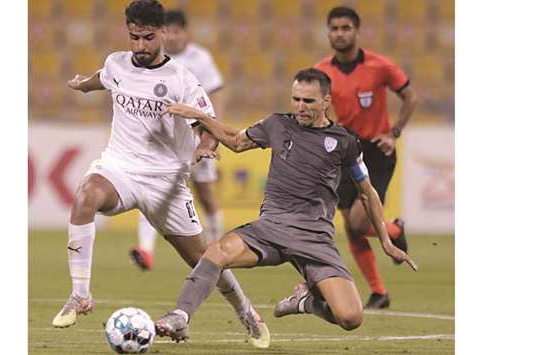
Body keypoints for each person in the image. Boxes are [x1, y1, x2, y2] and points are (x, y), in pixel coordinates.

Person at [51, 0, 270, 348]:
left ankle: (246, 311)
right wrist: (83, 85)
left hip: (166, 181)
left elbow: (206, 123)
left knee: (204, 260)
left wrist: (202, 146)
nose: (139, 46)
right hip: (120, 168)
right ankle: (80, 295)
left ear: (163, 33)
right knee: (85, 195)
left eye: (147, 38)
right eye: (134, 37)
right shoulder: (116, 62)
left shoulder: (181, 79)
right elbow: (104, 78)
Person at [153, 68, 417, 342]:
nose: (300, 107)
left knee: (351, 318)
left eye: (309, 101)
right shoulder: (277, 125)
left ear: (326, 102)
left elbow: (367, 193)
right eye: (296, 99)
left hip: (314, 239)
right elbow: (235, 142)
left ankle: (306, 302)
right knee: (216, 252)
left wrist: (386, 241)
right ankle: (180, 316)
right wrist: (200, 117)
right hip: (270, 229)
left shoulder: (344, 142)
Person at [314, 6, 418, 309]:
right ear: (329, 32)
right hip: (343, 149)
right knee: (351, 226)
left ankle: (395, 230)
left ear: (357, 31)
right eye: (334, 28)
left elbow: (410, 96)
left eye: (345, 28)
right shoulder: (322, 70)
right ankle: (379, 291)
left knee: (359, 223)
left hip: (376, 150)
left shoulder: (380, 65)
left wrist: (394, 132)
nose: (340, 34)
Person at [129, 10, 226, 272]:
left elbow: (215, 95)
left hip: (197, 136)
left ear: (185, 31)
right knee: (150, 193)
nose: (171, 35)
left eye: (176, 30)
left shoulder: (200, 58)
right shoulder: (152, 58)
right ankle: (145, 251)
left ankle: (218, 249)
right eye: (167, 30)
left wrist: (213, 133)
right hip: (165, 141)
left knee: (206, 195)